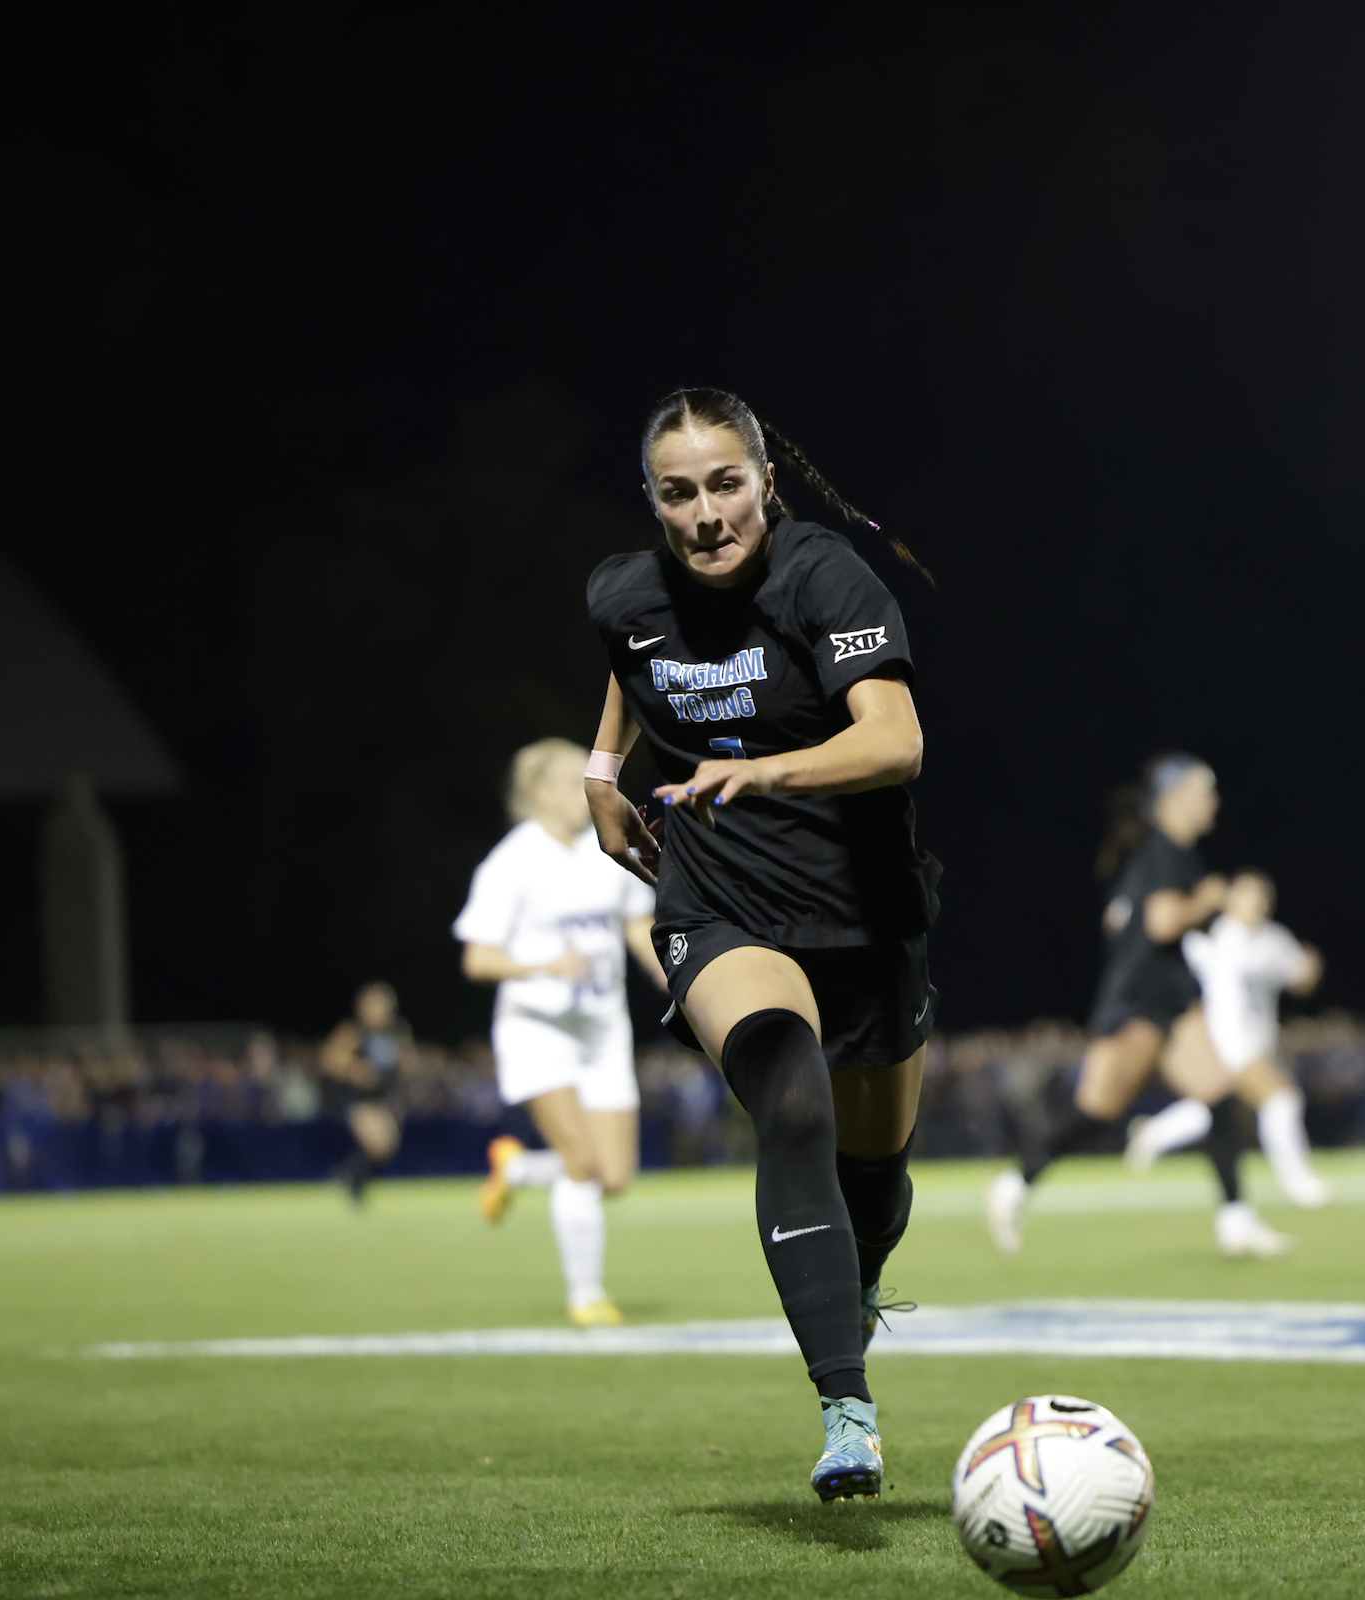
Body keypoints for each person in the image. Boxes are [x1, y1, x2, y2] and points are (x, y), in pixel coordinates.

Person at [583, 387, 938, 1502]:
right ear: (653, 501)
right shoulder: (622, 592)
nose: (705, 515)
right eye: (678, 494)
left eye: (726, 484)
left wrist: (768, 769)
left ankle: (854, 1281)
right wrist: (601, 773)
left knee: (874, 1172)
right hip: (719, 901)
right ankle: (848, 1410)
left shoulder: (824, 577)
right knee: (790, 1093)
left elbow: (897, 740)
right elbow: (637, 663)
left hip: (863, 912)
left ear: (765, 482)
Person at [987, 755, 1294, 1260]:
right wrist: (1210, 899)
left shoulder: (1166, 852)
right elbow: (1161, 922)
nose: (1213, 802)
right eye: (1205, 791)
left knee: (1219, 1097)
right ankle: (1015, 1183)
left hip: (1166, 998)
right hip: (1140, 1004)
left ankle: (1236, 1221)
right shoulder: (1165, 851)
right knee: (1097, 1113)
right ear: (1174, 799)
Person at [457, 737, 663, 1327]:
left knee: (614, 1176)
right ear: (542, 792)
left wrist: (672, 973)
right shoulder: (511, 862)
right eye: (579, 780)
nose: (593, 790)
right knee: (581, 1162)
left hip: (602, 1031)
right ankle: (586, 1296)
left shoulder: (605, 848)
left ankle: (518, 1169)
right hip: (538, 1031)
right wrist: (545, 966)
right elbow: (478, 959)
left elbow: (634, 922)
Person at [1122, 868, 1330, 1207]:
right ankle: (1297, 1180)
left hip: (1260, 1040)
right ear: (1232, 899)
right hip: (1227, 1040)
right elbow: (1167, 955)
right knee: (1282, 1099)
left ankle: (1153, 1133)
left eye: (1263, 895)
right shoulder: (1214, 938)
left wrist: (1311, 970)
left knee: (1222, 1110)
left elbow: (1300, 978)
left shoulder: (1274, 940)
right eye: (1249, 894)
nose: (1257, 902)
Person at [319, 982, 411, 1204]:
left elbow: (402, 1064)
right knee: (378, 1144)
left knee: (387, 1147)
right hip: (359, 1100)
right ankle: (349, 1177)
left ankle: (350, 1177)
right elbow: (330, 1060)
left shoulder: (394, 1033)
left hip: (382, 1100)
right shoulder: (354, 1031)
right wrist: (357, 1071)